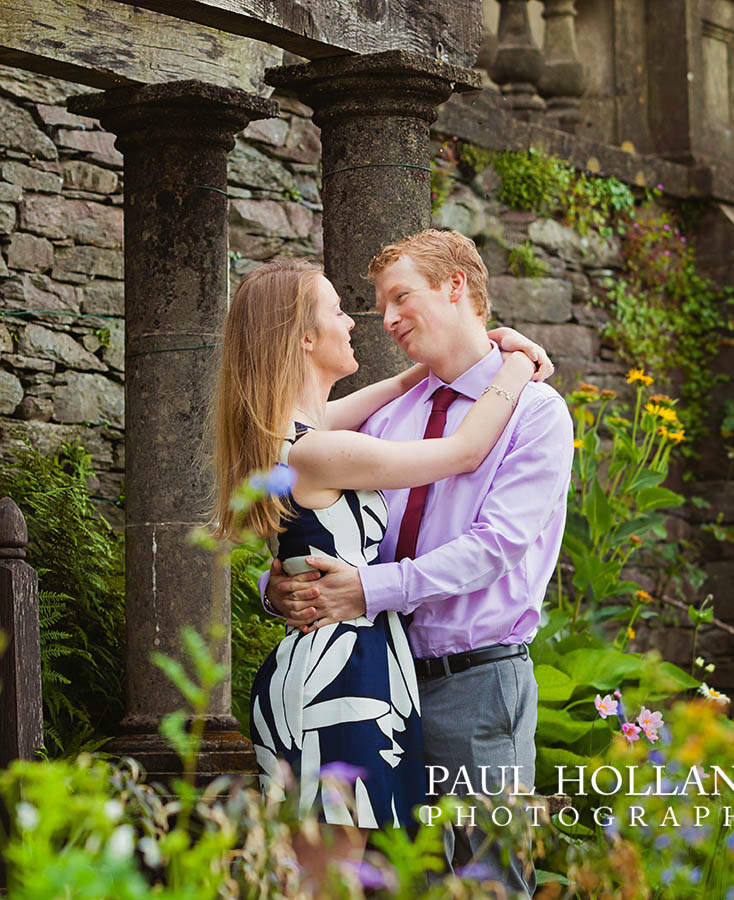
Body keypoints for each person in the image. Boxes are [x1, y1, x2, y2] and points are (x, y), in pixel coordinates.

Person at [209, 255, 553, 896]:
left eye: (398, 300)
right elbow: (464, 452)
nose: (361, 321)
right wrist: (519, 364)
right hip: (344, 676)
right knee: (324, 884)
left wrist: (468, 355)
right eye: (339, 309)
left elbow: (397, 390)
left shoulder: (303, 432)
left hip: (344, 667)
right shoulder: (320, 446)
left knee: (341, 878)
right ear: (303, 337)